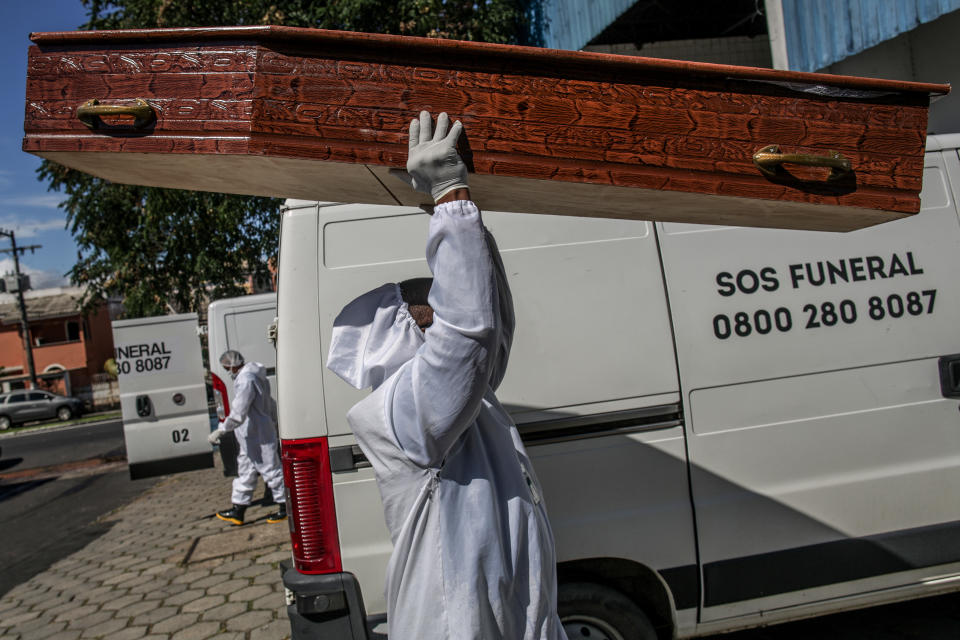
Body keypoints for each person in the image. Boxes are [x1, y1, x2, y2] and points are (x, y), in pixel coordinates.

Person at [327, 111, 568, 640]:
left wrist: (455, 209)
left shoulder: (462, 404)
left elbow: (492, 326)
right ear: (401, 332)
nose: (443, 310)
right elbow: (469, 334)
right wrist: (449, 199)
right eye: (430, 311)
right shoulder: (403, 414)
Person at [208, 349, 287, 525]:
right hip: (251, 434)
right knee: (246, 471)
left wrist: (222, 429)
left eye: (227, 367)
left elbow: (239, 411)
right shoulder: (255, 376)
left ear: (233, 365)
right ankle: (238, 509)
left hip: (256, 434)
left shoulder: (246, 379)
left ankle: (285, 507)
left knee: (270, 469)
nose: (228, 371)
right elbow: (269, 402)